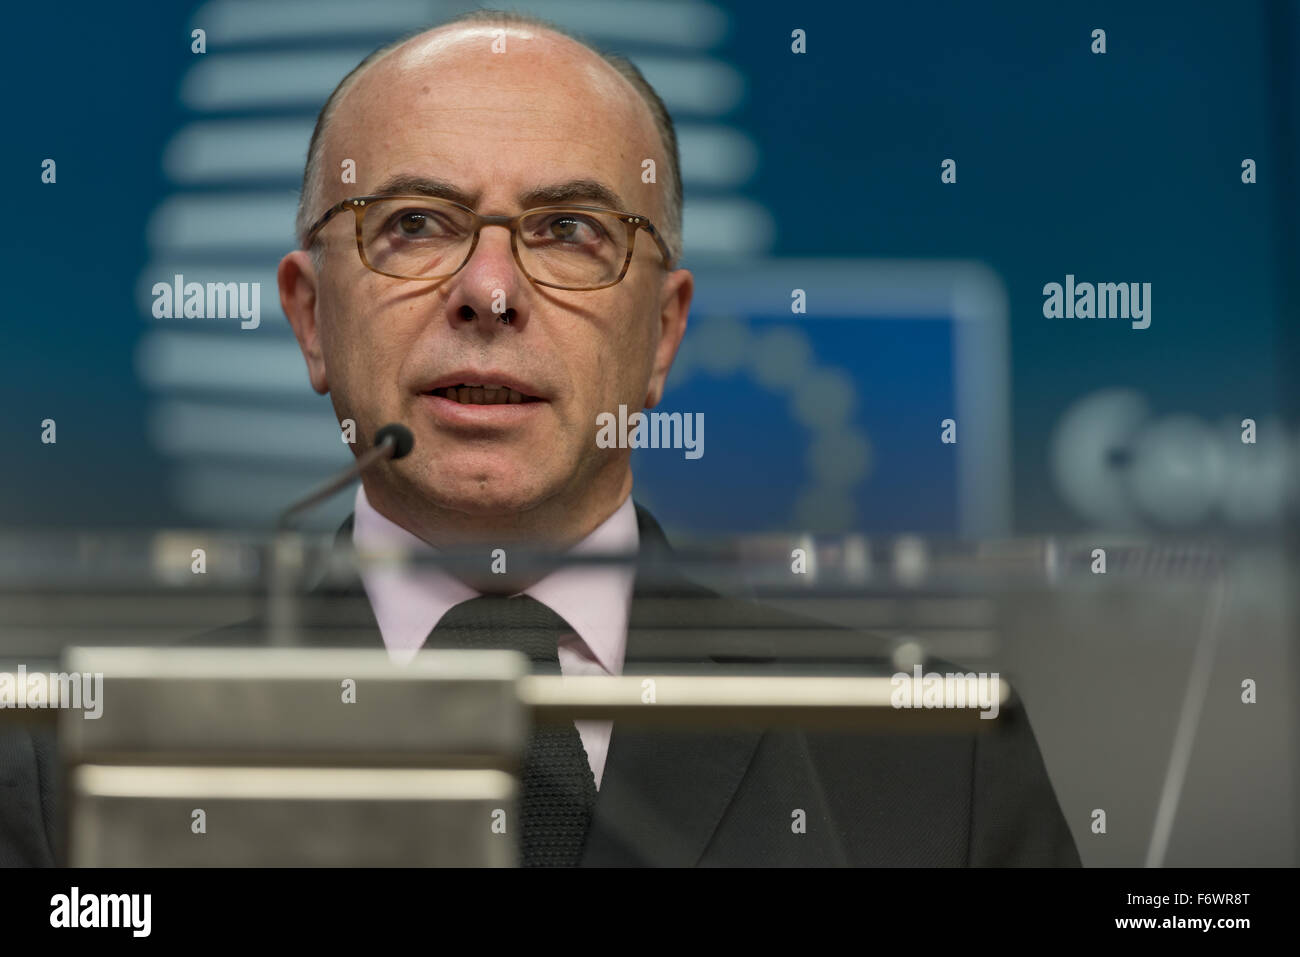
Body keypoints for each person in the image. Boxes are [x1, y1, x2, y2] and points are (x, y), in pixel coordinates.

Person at [0, 9, 1080, 868]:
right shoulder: (81, 766)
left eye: (570, 231)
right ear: (310, 316)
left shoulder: (935, 754)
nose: (489, 292)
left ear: (661, 333)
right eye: (414, 223)